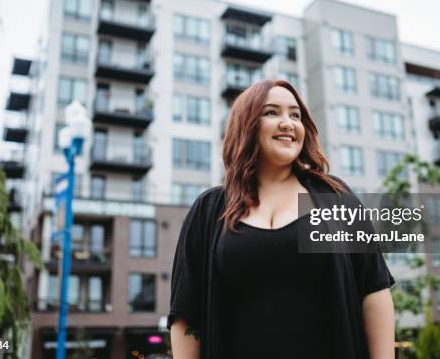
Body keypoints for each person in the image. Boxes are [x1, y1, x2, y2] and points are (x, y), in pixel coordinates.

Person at [168, 79, 395, 358]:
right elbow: (186, 314)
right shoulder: (208, 210)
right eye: (272, 112)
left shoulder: (334, 197)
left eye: (295, 115)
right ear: (246, 125)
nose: (287, 123)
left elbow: (374, 290)